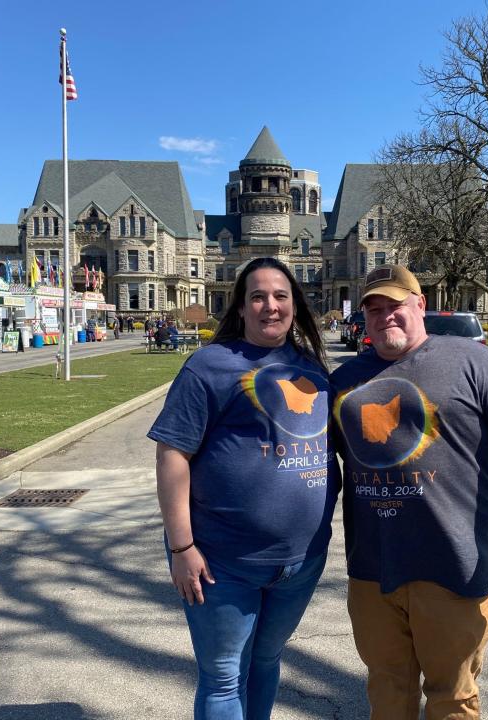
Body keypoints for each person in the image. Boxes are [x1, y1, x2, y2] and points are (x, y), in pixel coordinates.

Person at [330, 264, 488, 719]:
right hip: (373, 569)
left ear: (420, 305)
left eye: (396, 306)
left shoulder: (471, 360)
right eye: (375, 309)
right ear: (363, 318)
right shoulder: (344, 381)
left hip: (452, 566)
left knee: (452, 697)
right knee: (387, 691)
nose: (386, 316)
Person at [147, 257, 340, 719]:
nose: (269, 306)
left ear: (295, 305)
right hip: (221, 562)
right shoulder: (210, 366)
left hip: (300, 561)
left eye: (280, 296)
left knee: (267, 660)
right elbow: (172, 454)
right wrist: (181, 546)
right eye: (257, 296)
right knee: (223, 677)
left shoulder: (313, 367)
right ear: (240, 307)